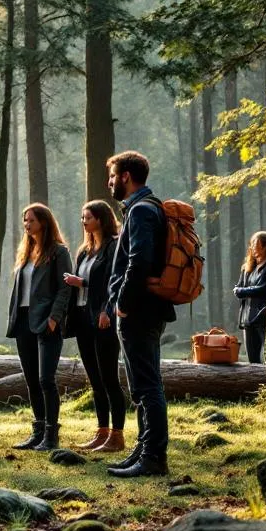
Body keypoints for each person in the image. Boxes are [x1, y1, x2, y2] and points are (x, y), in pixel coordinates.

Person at [104, 150, 175, 478]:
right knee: (142, 386)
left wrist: (123, 303)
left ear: (126, 177)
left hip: (140, 311)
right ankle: (143, 451)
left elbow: (140, 260)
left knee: (147, 386)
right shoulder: (140, 209)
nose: (110, 182)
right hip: (142, 310)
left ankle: (153, 457)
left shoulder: (143, 211)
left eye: (113, 176)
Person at [6, 203, 74, 451]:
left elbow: (65, 287)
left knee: (46, 379)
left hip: (47, 322)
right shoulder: (26, 251)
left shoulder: (58, 251)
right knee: (32, 380)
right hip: (23, 321)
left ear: (43, 222)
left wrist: (55, 318)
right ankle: (37, 432)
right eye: (24, 220)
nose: (26, 224)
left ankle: (51, 436)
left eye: (31, 220)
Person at [63, 200, 127, 452]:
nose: (83, 221)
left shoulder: (113, 246)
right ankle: (101, 433)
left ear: (100, 219)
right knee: (95, 380)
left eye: (87, 217)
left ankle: (117, 435)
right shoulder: (84, 250)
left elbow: (115, 281)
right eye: (82, 217)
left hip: (103, 318)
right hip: (82, 318)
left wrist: (105, 309)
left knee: (109, 377)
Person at [234, 231, 266, 364]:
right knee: (252, 361)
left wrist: (241, 291)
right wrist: (238, 289)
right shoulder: (248, 267)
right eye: (252, 243)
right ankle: (258, 385)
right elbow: (239, 286)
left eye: (255, 243)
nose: (252, 246)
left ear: (265, 246)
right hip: (248, 320)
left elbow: (265, 289)